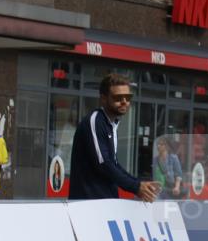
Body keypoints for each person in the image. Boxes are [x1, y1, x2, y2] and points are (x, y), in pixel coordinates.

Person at [68, 73, 159, 202]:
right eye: (118, 98)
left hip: (106, 203)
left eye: (127, 97)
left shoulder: (111, 125)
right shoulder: (95, 120)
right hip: (89, 204)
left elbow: (113, 164)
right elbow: (104, 163)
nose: (124, 102)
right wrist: (136, 186)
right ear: (103, 99)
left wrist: (139, 184)